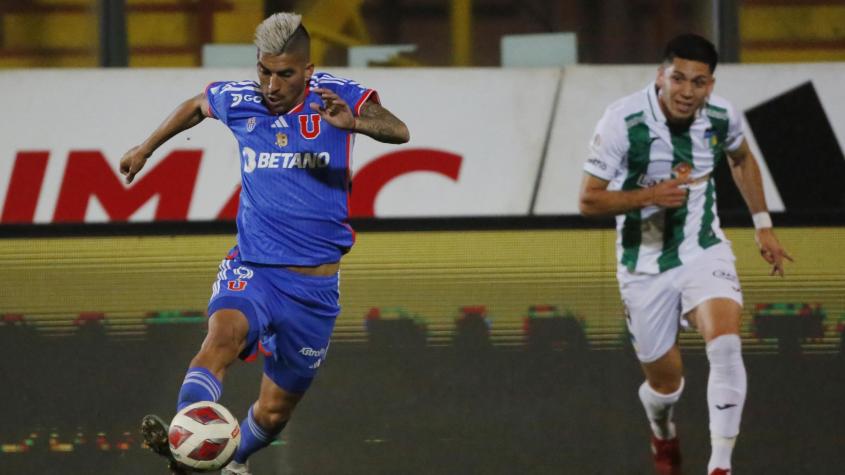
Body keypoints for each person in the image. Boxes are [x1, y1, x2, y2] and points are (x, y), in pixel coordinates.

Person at [120, 12, 409, 475]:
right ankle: (186, 449)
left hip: (314, 290)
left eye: (285, 74)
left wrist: (354, 121)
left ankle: (230, 460)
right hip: (253, 266)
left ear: (308, 71)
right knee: (220, 340)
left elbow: (400, 131)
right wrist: (146, 147)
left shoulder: (334, 95)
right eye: (264, 71)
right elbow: (197, 104)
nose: (272, 85)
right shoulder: (241, 99)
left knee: (274, 413)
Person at [578, 34, 791, 475]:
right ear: (660, 76)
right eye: (678, 78)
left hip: (702, 248)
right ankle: (663, 431)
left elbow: (742, 159)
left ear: (710, 85)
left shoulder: (720, 116)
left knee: (727, 344)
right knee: (665, 386)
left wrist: (763, 225)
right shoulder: (622, 120)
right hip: (643, 265)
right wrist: (650, 195)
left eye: (699, 81)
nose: (687, 91)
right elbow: (589, 201)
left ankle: (720, 466)